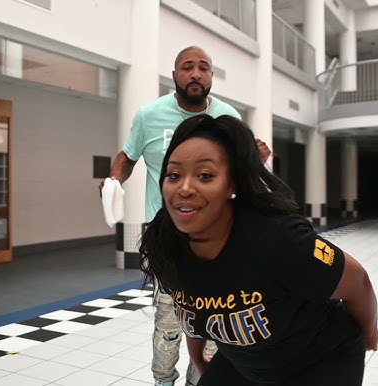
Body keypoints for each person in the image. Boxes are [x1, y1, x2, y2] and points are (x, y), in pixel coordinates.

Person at [138, 114, 378, 386]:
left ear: (232, 184)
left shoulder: (278, 239)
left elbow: (358, 281)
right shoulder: (165, 243)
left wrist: (370, 335)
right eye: (174, 175)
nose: (184, 188)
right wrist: (197, 358)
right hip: (246, 363)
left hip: (320, 358)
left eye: (205, 176)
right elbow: (191, 306)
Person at [99, 46, 270, 386]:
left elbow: (239, 173)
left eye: (204, 68)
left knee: (211, 321)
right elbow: (128, 155)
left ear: (210, 77)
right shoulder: (149, 115)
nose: (196, 74)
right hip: (167, 237)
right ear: (174, 75)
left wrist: (254, 158)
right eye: (187, 67)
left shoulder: (228, 117)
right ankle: (163, 381)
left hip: (217, 238)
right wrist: (114, 179)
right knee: (168, 321)